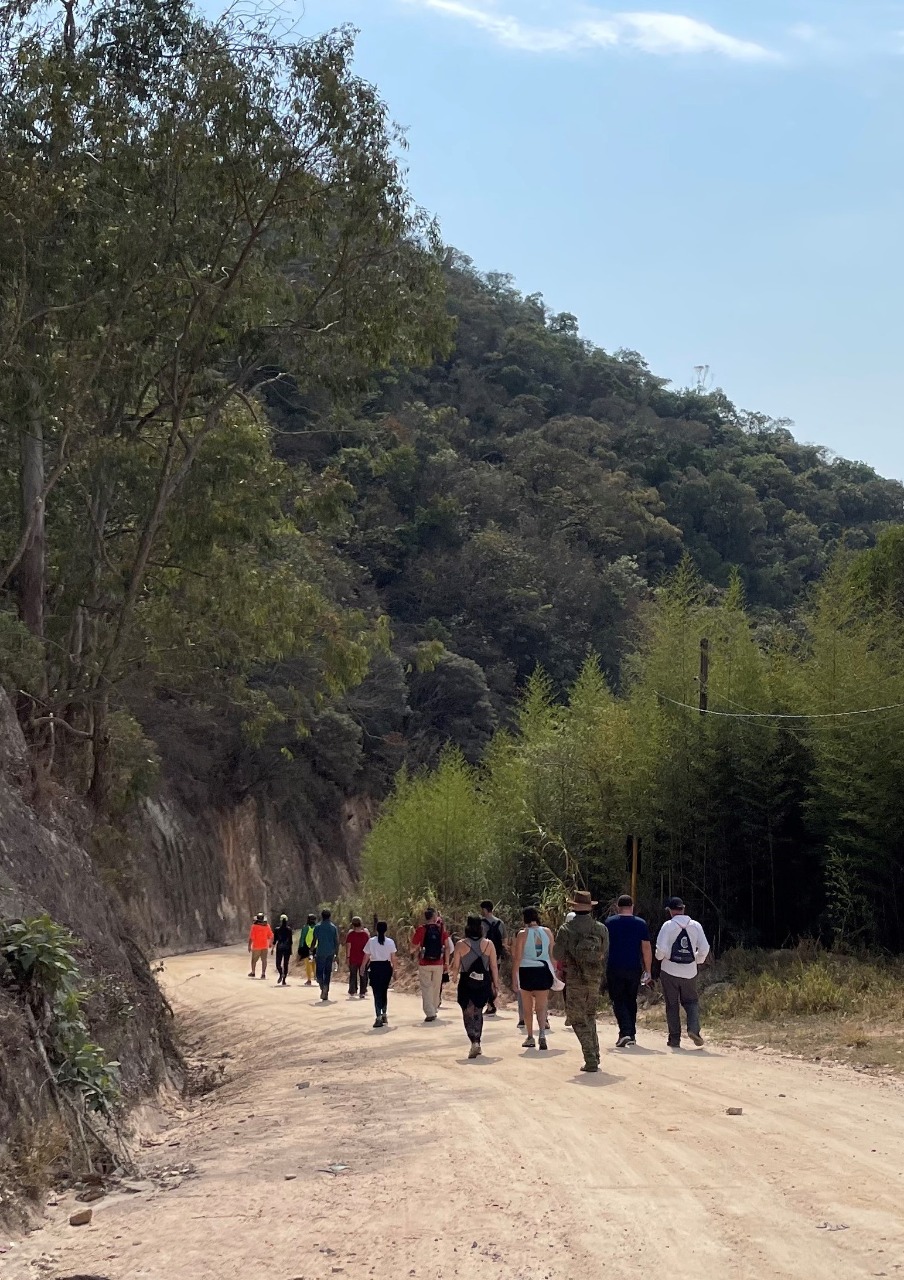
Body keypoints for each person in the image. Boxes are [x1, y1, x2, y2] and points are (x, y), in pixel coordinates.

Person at [553, 890, 608, 1073]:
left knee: (577, 1019)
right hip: (594, 978)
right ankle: (595, 1054)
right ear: (590, 908)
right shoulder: (600, 928)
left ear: (574, 908)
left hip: (575, 979)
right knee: (590, 1015)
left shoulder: (566, 929)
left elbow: (557, 954)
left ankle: (590, 1058)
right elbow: (604, 951)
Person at [655, 896, 710, 1048]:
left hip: (669, 971)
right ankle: (693, 1029)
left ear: (670, 911)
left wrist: (661, 958)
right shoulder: (696, 926)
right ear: (683, 908)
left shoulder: (668, 926)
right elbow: (705, 948)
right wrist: (697, 960)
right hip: (690, 972)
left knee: (672, 1005)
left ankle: (674, 1039)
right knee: (691, 1001)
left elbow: (661, 950)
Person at [604, 895, 653, 1047]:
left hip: (615, 966)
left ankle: (625, 1032)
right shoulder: (641, 924)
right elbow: (646, 948)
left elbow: (604, 946)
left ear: (618, 907)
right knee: (631, 999)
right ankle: (630, 1033)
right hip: (634, 967)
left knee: (618, 1000)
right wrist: (648, 970)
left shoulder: (609, 923)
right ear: (632, 906)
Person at [452, 916, 500, 1059]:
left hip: (466, 981)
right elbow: (493, 966)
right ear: (481, 928)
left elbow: (456, 965)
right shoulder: (489, 944)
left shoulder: (460, 944)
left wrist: (454, 977)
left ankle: (473, 1041)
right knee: (478, 1011)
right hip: (483, 981)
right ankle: (477, 1040)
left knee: (467, 1010)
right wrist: (495, 983)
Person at [511, 907, 556, 1051]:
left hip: (526, 971)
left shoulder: (522, 934)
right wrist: (553, 972)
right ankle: (542, 1034)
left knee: (527, 1006)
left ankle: (530, 1036)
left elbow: (518, 958)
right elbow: (552, 955)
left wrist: (514, 977)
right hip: (543, 970)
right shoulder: (547, 932)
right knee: (541, 1007)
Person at [410, 907, 450, 1022]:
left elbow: (413, 947)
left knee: (426, 987)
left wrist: (416, 950)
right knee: (436, 987)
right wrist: (446, 962)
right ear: (434, 917)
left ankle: (430, 1012)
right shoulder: (441, 929)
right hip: (438, 963)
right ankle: (434, 1008)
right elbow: (447, 946)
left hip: (424, 963)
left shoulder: (421, 929)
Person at [362, 921, 397, 1027]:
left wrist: (362, 967)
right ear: (386, 930)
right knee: (383, 991)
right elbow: (393, 958)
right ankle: (384, 1013)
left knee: (376, 993)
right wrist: (395, 970)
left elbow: (366, 956)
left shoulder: (371, 941)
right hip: (386, 968)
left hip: (375, 967)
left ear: (376, 929)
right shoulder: (390, 942)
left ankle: (378, 1016)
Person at [479, 901, 506, 1016]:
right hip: (497, 957)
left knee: (485, 981)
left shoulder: (481, 924)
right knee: (493, 980)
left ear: (485, 909)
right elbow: (504, 941)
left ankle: (490, 1005)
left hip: (484, 957)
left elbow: (478, 941)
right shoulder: (500, 923)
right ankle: (491, 1003)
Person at [313, 909, 340, 1002]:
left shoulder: (317, 927)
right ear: (329, 916)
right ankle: (326, 989)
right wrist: (337, 953)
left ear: (322, 916)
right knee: (327, 972)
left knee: (319, 972)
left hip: (320, 952)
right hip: (330, 952)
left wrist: (311, 949)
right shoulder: (333, 928)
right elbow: (336, 941)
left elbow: (314, 939)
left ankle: (322, 985)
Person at [346, 917, 370, 999]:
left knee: (353, 974)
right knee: (363, 974)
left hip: (353, 958)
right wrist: (369, 957)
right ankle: (362, 992)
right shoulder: (365, 935)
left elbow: (348, 947)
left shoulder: (350, 934)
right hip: (363, 958)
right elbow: (368, 947)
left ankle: (352, 990)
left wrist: (348, 957)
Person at [247, 912, 273, 979]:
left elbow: (251, 937)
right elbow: (271, 936)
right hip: (265, 946)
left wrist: (249, 946)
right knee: (264, 960)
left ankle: (253, 972)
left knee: (254, 960)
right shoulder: (267, 926)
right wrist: (270, 943)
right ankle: (263, 974)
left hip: (256, 947)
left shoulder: (254, 927)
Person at [272, 914, 294, 986]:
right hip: (287, 948)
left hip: (280, 948)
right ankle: (284, 980)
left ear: (280, 921)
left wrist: (272, 949)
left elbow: (275, 941)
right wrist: (291, 950)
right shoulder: (289, 930)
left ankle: (281, 973)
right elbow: (290, 941)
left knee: (278, 964)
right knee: (285, 964)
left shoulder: (277, 930)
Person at [297, 913, 316, 986]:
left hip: (307, 948)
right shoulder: (317, 927)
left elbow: (302, 938)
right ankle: (316, 976)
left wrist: (300, 947)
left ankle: (309, 980)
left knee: (308, 963)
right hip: (314, 948)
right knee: (313, 962)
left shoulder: (305, 927)